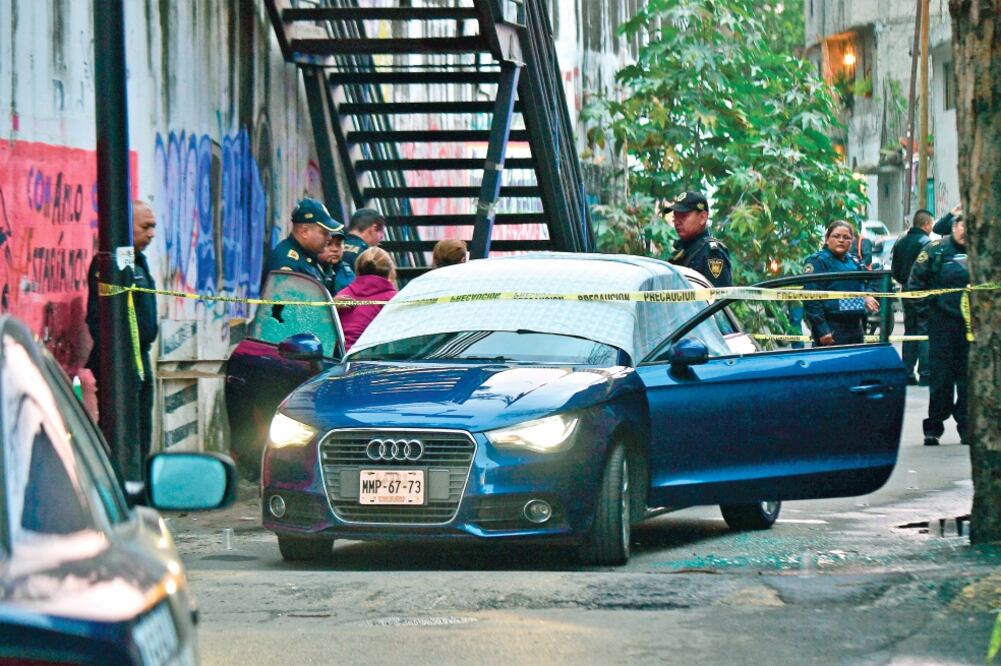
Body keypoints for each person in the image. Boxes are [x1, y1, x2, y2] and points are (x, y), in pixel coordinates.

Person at [85, 200, 158, 483]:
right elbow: (97, 319)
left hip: (142, 360)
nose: (151, 234)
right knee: (121, 433)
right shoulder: (109, 264)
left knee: (142, 430)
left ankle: (138, 488)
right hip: (120, 365)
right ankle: (118, 489)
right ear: (126, 227)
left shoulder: (139, 261)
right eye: (145, 227)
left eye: (153, 227)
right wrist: (121, 361)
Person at [907, 214, 970, 446]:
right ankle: (934, 427)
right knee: (941, 379)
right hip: (942, 327)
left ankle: (967, 426)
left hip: (972, 329)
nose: (966, 229)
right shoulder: (936, 250)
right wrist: (928, 315)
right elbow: (915, 285)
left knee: (968, 381)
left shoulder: (984, 253)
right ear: (954, 226)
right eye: (963, 223)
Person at [802, 220, 880, 346]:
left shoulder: (855, 262)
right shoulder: (818, 261)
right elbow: (811, 299)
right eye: (836, 236)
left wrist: (868, 294)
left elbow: (871, 280)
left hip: (856, 326)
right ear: (827, 239)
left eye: (846, 237)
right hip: (831, 327)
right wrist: (822, 330)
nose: (841, 240)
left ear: (852, 241)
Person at [892, 209, 934, 385]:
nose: (932, 227)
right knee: (924, 331)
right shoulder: (926, 243)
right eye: (931, 224)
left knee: (910, 331)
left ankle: (908, 373)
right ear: (925, 225)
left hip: (906, 291)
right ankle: (925, 373)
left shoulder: (901, 242)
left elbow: (894, 269)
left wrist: (904, 282)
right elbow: (930, 270)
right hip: (923, 292)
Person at [263, 198, 344, 286]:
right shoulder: (287, 263)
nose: (329, 238)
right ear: (304, 232)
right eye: (324, 232)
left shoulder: (308, 257)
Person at [663, 191, 732, 287]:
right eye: (675, 216)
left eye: (683, 216)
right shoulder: (683, 250)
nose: (677, 222)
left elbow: (719, 298)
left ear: (703, 217)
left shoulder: (712, 253)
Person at [336, 247, 398, 351]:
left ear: (357, 269)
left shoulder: (341, 296)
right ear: (391, 271)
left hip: (340, 358)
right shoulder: (394, 299)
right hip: (373, 359)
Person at [342, 207, 387, 273]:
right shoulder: (369, 256)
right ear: (374, 228)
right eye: (382, 232)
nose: (381, 237)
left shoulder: (334, 247)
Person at [317, 229, 355, 294]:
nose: (335, 249)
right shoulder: (307, 268)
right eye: (329, 244)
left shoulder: (344, 271)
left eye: (338, 244)